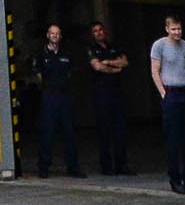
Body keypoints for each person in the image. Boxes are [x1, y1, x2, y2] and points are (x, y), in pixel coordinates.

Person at [150, 13, 185, 193]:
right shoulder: (159, 45)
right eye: (173, 29)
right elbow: (155, 70)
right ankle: (175, 180)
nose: (177, 32)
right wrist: (163, 93)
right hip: (171, 93)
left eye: (179, 29)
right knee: (173, 139)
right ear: (167, 29)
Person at [33, 22, 84, 177]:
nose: (54, 36)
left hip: (65, 96)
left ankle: (73, 167)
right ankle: (43, 166)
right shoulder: (41, 55)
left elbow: (72, 73)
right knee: (47, 132)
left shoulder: (67, 55)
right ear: (47, 35)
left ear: (60, 36)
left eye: (57, 33)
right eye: (52, 33)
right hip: (49, 96)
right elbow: (38, 75)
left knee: (69, 132)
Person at [86, 20, 133, 175]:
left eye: (100, 29)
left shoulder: (114, 46)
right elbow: (97, 66)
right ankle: (106, 166)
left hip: (117, 92)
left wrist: (108, 61)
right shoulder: (91, 48)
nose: (99, 33)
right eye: (95, 31)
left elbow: (125, 62)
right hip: (101, 93)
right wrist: (114, 69)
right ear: (92, 34)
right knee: (104, 131)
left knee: (120, 129)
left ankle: (122, 164)